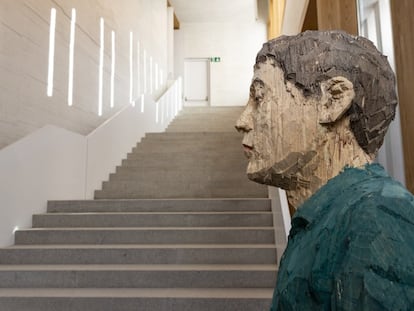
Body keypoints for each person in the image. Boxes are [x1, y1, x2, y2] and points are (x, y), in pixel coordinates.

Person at [236, 30, 414, 310]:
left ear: (333, 100)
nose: (242, 120)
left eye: (260, 97)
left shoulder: (379, 215)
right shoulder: (322, 220)